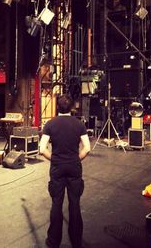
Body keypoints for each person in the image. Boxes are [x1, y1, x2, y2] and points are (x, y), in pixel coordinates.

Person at [39, 94, 91, 248]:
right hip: (74, 167)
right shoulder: (79, 124)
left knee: (56, 204)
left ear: (57, 107)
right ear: (71, 108)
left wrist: (54, 159)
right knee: (74, 204)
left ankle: (54, 241)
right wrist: (76, 159)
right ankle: (76, 240)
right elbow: (87, 148)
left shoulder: (50, 124)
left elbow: (42, 149)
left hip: (57, 168)